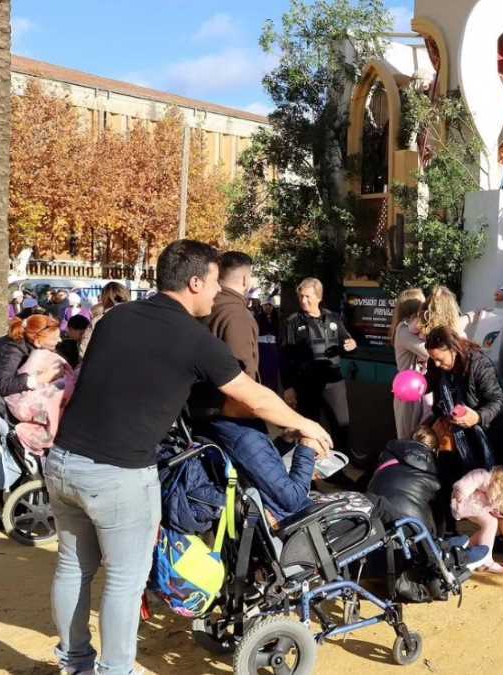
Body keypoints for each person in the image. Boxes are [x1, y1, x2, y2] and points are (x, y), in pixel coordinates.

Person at [46, 239, 333, 675]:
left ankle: (75, 663)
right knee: (123, 582)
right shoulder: (194, 340)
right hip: (120, 474)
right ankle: (115, 670)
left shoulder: (114, 319)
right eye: (215, 282)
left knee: (73, 568)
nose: (218, 293)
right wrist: (306, 424)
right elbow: (253, 397)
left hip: (64, 462)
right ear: (195, 282)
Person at [0, 314, 66, 529]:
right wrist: (39, 380)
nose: (59, 342)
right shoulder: (12, 349)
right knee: (0, 452)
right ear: (38, 339)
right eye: (54, 338)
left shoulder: (26, 346)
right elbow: (3, 384)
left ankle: (7, 503)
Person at [424, 327, 503, 534]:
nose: (436, 364)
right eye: (433, 359)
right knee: (443, 484)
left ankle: (495, 536)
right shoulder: (436, 367)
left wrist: (477, 417)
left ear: (453, 349)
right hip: (450, 434)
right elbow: (435, 395)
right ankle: (446, 533)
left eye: (440, 359)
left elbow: (498, 400)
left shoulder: (478, 364)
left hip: (480, 436)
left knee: (488, 491)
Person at [281, 277, 357, 455]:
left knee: (341, 424)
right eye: (301, 296)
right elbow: (285, 357)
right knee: (308, 428)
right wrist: (288, 387)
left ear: (318, 297)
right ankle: (307, 474)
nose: (303, 300)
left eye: (307, 296)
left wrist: (351, 344)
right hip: (306, 383)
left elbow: (347, 340)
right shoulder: (292, 322)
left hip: (333, 381)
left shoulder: (332, 318)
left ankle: (337, 468)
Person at [193, 251, 261, 422]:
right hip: (230, 413)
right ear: (245, 279)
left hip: (200, 407)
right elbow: (243, 369)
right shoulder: (236, 314)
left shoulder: (201, 305)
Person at [367, 426, 443, 534]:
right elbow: (440, 517)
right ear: (435, 450)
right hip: (412, 528)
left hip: (374, 519)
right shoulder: (434, 473)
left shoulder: (387, 455)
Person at [391, 288, 430, 439]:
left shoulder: (412, 329)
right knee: (407, 438)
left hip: (420, 390)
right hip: (408, 392)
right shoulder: (403, 330)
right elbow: (427, 352)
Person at [79, 282, 129, 360]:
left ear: (104, 298)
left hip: (103, 365)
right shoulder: (138, 318)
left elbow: (84, 349)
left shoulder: (99, 320)